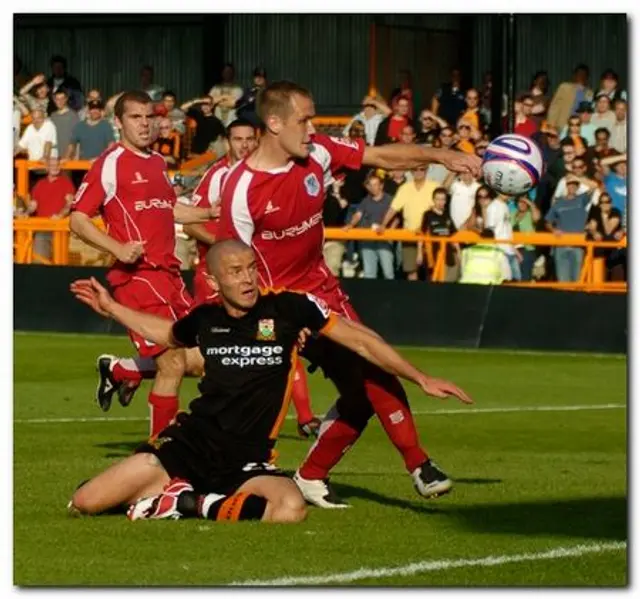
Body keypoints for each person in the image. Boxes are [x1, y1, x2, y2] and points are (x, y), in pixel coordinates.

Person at [216, 80, 481, 508]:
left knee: (368, 380)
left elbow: (379, 155)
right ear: (274, 122)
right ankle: (207, 470)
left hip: (321, 290)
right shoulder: (241, 189)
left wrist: (442, 156)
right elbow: (232, 265)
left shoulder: (316, 151)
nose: (311, 128)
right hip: (275, 307)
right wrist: (270, 318)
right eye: (304, 120)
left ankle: (355, 470)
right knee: (247, 396)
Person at [68, 241, 472, 521]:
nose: (248, 279)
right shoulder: (205, 320)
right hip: (189, 446)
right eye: (235, 271)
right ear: (213, 282)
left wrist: (420, 378)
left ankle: (186, 503)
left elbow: (361, 340)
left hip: (248, 460)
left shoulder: (290, 309)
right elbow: (166, 334)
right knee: (85, 502)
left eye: (251, 268)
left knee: (290, 508)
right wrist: (112, 309)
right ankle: (180, 497)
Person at [69, 90, 217, 437]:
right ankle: (161, 457)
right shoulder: (110, 163)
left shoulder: (155, 162)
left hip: (168, 274)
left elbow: (168, 207)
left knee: (203, 361)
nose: (145, 124)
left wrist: (208, 212)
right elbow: (78, 219)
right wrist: (118, 248)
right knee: (173, 362)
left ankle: (123, 370)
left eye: (149, 117)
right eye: (136, 117)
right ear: (118, 123)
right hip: (136, 278)